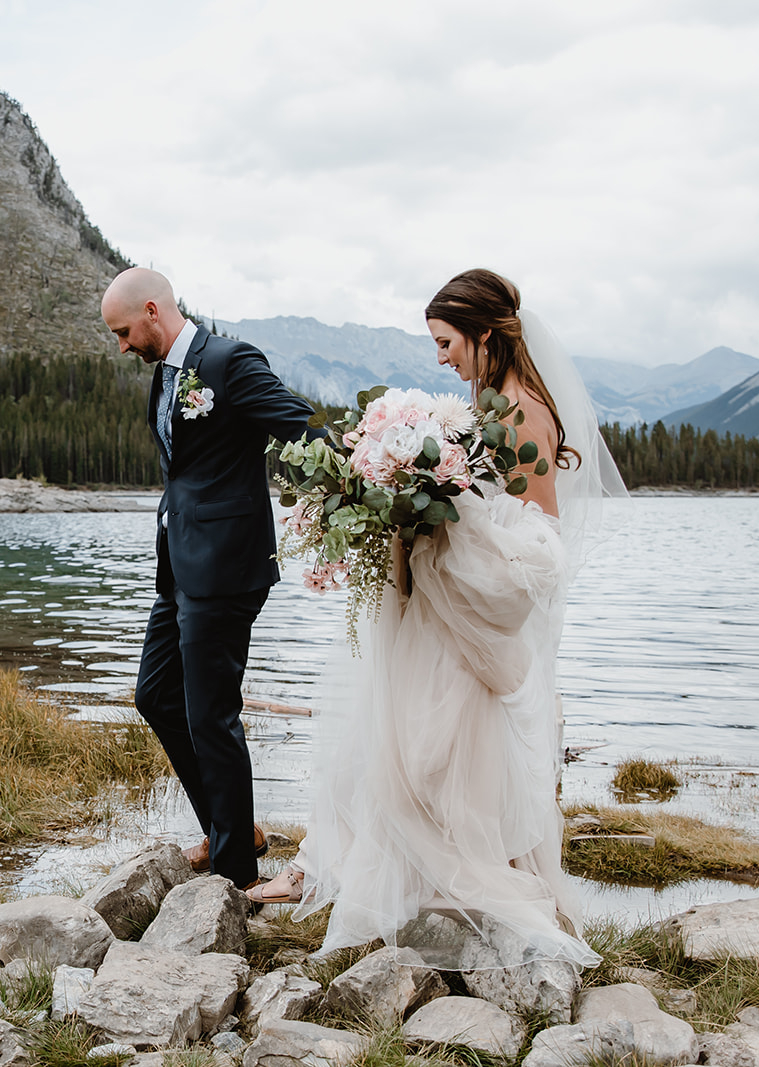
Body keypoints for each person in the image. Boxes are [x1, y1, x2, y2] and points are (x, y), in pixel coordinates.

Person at [246, 269, 628, 970]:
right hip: (442, 612)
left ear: (486, 335)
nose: (442, 356)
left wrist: (445, 534)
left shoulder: (519, 414)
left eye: (448, 341)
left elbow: (542, 541)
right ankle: (373, 876)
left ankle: (437, 893)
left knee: (430, 752)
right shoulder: (489, 408)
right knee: (404, 743)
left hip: (469, 619)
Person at [100, 267, 323, 890]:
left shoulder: (227, 362)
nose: (121, 346)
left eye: (123, 332)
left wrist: (358, 488)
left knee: (211, 715)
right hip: (178, 565)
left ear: (152, 310)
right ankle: (235, 827)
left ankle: (236, 876)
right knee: (156, 695)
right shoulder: (164, 377)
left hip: (227, 566)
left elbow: (299, 427)